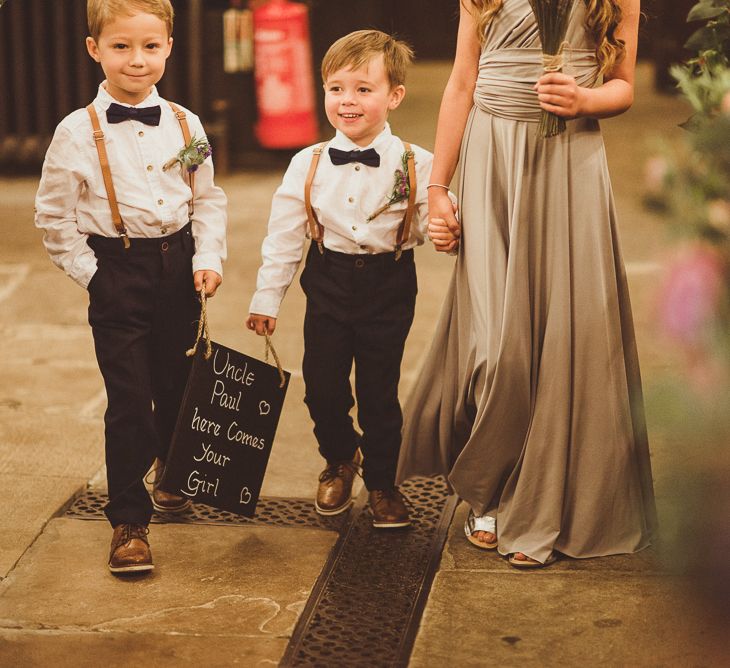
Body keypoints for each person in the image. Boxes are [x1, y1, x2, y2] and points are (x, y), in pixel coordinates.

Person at [397, 0, 657, 567]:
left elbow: (624, 86)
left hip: (570, 160)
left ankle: (532, 499)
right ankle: (489, 484)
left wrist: (587, 99)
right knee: (495, 346)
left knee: (568, 335)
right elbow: (462, 81)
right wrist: (438, 187)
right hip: (493, 165)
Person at [35, 0, 227, 574]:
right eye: (121, 47)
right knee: (128, 401)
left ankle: (171, 473)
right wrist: (96, 276)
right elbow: (52, 217)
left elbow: (208, 198)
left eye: (149, 46)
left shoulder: (188, 124)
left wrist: (208, 255)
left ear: (168, 47)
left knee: (176, 382)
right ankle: (127, 521)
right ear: (95, 49)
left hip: (179, 267)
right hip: (116, 270)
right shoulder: (75, 132)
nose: (136, 60)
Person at [247, 30, 445, 528]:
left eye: (363, 88)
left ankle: (381, 481)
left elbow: (433, 219)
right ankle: (340, 457)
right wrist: (267, 298)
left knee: (380, 392)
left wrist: (447, 225)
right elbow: (285, 237)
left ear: (393, 96)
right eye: (336, 88)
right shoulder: (307, 163)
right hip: (329, 281)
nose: (347, 101)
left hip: (389, 283)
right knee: (321, 385)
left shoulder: (417, 163)